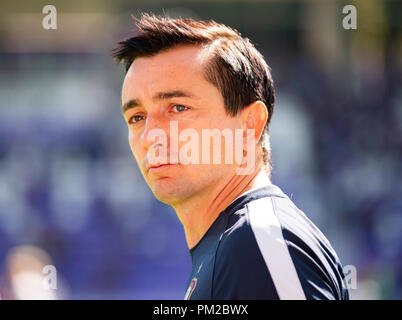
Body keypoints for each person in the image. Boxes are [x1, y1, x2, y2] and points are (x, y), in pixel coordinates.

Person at [113, 13, 349, 300]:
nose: (151, 137)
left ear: (250, 124)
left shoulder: (261, 242)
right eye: (137, 117)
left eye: (177, 108)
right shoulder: (233, 246)